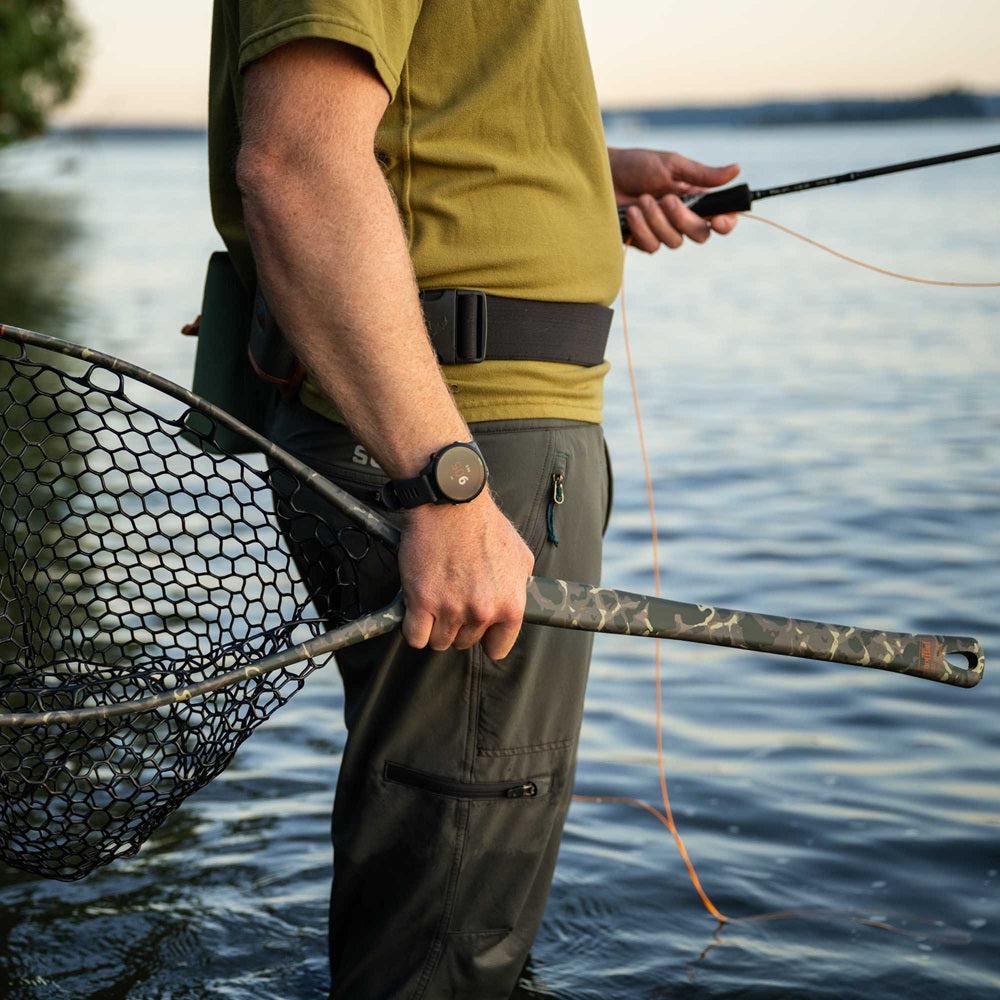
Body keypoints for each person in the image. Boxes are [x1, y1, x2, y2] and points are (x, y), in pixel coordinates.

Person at [208, 2, 738, 996]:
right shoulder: (447, 472)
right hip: (459, 445)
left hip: (474, 440)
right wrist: (444, 483)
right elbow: (295, 163)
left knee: (466, 893)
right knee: (445, 933)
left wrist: (576, 175)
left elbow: (415, 126)